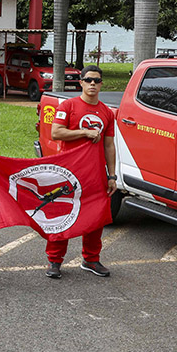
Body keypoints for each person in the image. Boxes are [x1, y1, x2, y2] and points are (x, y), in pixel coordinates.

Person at [46, 64, 116, 279]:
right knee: (62, 215)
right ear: (81, 83)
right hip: (68, 172)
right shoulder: (68, 106)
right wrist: (84, 132)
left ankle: (91, 260)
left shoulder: (106, 112)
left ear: (101, 84)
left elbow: (109, 145)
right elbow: (56, 133)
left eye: (96, 80)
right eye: (88, 80)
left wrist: (112, 175)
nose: (92, 84)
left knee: (95, 217)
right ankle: (55, 261)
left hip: (95, 174)